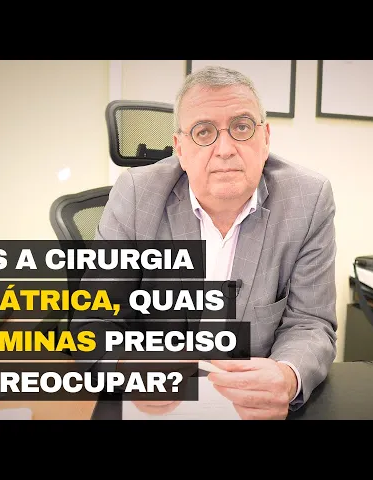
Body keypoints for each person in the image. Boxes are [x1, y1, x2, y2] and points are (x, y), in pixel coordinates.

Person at [94, 65, 337, 420]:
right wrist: (126, 366)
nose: (225, 149)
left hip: (251, 405)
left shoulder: (308, 199)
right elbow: (96, 318)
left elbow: (310, 322)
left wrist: (286, 376)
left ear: (265, 137)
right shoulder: (135, 195)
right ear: (180, 148)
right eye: (203, 131)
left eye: (241, 127)